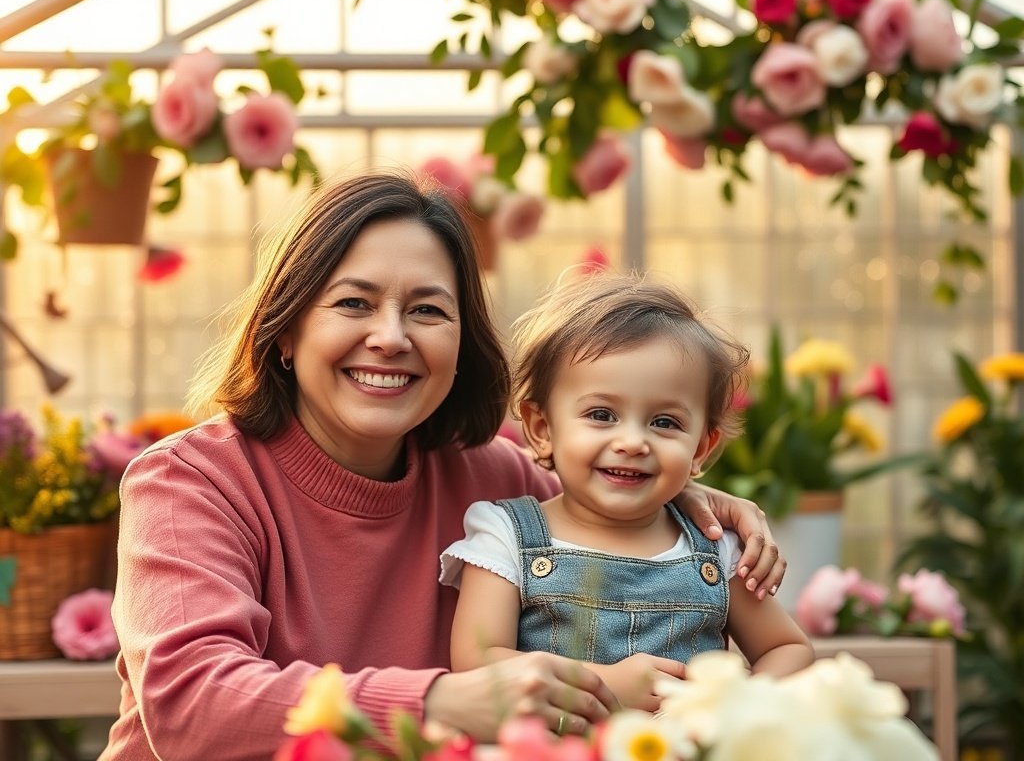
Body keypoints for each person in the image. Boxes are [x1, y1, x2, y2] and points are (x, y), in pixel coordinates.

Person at [101, 172, 787, 760]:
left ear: (462, 340)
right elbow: (190, 703)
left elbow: (616, 491)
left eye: (427, 310)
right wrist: (440, 701)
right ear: (285, 331)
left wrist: (702, 500)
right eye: (353, 303)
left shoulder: (500, 480)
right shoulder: (191, 481)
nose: (391, 337)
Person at [442, 273, 814, 713]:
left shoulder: (716, 549)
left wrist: (730, 709)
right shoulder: (506, 536)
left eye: (664, 422)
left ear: (700, 448)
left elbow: (789, 649)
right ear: (542, 429)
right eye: (602, 414)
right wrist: (601, 684)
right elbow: (477, 664)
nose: (633, 442)